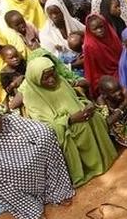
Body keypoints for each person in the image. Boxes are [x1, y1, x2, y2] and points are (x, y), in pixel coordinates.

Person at [19, 57, 118, 187]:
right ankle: (88, 169)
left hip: (81, 115)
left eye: (52, 74)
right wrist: (70, 119)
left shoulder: (61, 81)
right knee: (80, 127)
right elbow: (44, 126)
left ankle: (105, 158)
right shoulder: (32, 96)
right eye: (45, 78)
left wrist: (86, 105)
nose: (52, 79)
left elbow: (76, 99)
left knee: (95, 117)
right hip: (63, 128)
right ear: (36, 80)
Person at [0, 104, 76, 219]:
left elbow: (39, 129)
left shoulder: (11, 121)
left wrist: (41, 140)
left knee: (47, 136)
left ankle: (58, 191)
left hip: (28, 153)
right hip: (2, 166)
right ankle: (31, 209)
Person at [83, 13, 122, 98]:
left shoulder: (112, 36)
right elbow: (92, 71)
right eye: (95, 29)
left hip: (121, 69)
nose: (99, 31)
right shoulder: (90, 46)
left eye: (101, 27)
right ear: (89, 30)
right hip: (105, 78)